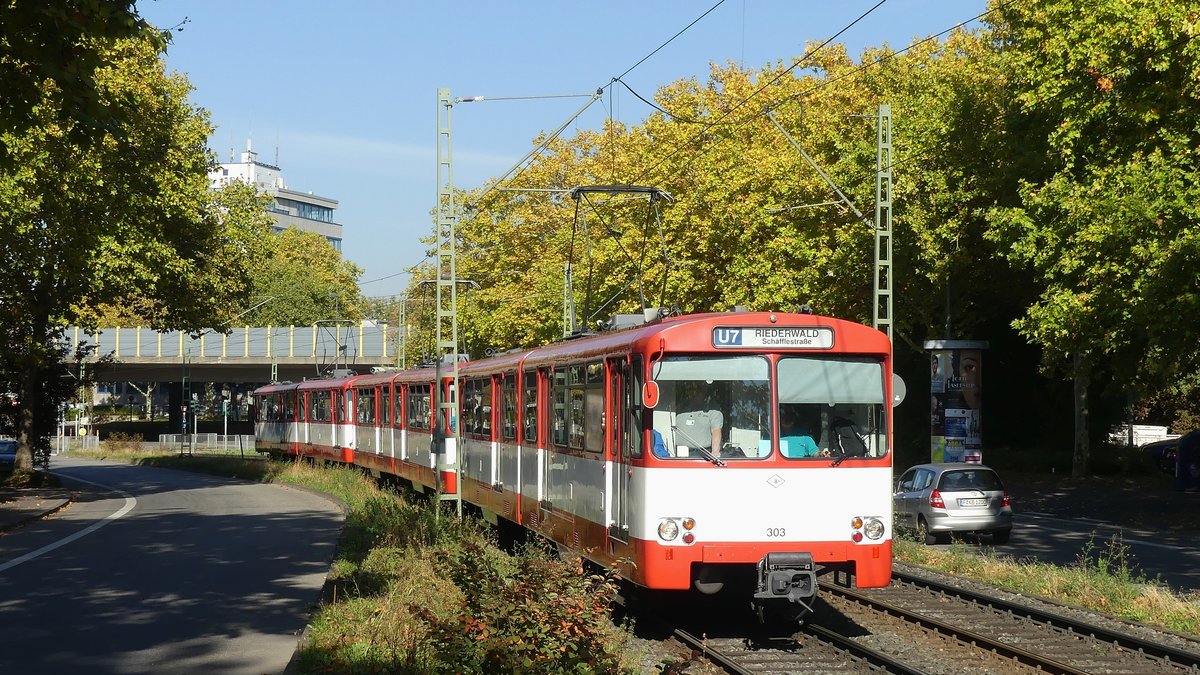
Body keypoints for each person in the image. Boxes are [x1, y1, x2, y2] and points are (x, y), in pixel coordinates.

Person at [672, 382, 722, 456]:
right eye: (692, 389)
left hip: (702, 455)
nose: (695, 392)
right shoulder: (678, 407)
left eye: (700, 389)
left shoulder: (713, 409)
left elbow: (716, 430)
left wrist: (715, 452)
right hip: (674, 455)